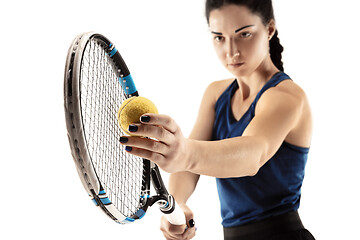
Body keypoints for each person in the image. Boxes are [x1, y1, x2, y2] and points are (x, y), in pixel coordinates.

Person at [120, 0, 316, 239]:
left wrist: (187, 154)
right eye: (219, 37)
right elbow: (187, 168)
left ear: (270, 29)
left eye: (244, 34)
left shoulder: (286, 96)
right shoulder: (216, 94)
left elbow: (253, 154)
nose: (231, 51)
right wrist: (178, 204)